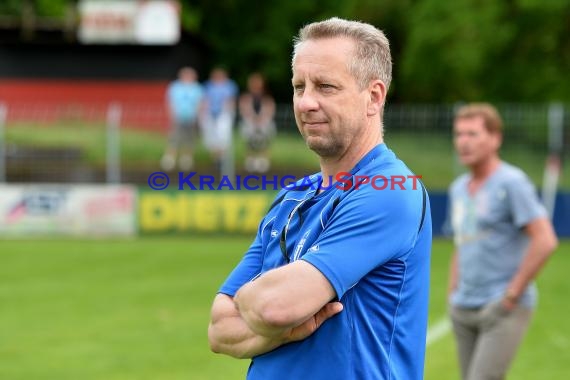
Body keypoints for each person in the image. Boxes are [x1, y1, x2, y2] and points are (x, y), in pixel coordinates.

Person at [208, 18, 432, 380]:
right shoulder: (291, 197)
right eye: (299, 87)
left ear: (374, 97)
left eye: (326, 87)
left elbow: (273, 307)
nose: (306, 102)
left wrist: (257, 305)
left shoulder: (390, 189)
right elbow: (219, 329)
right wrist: (283, 327)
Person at [446, 103, 558, 380]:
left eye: (472, 134)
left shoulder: (512, 182)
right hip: (464, 306)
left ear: (495, 138)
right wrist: (452, 294)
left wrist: (511, 296)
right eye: (459, 134)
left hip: (501, 307)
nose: (464, 142)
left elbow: (545, 239)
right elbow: (463, 241)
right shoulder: (458, 188)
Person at [160, 66, 203, 171]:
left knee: (189, 139)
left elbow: (200, 103)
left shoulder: (197, 88)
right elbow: (170, 102)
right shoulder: (175, 87)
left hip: (191, 116)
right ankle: (170, 158)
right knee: (174, 138)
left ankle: (186, 159)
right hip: (177, 116)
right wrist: (172, 114)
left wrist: (197, 115)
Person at [199, 67, 239, 171]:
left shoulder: (230, 85)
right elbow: (204, 100)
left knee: (223, 136)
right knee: (211, 137)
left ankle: (223, 159)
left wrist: (230, 111)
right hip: (210, 113)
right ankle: (215, 159)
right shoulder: (208, 85)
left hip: (223, 113)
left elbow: (231, 99)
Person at [239, 72, 276, 173]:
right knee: (248, 131)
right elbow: (243, 110)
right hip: (250, 121)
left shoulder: (266, 96)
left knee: (267, 131)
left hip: (264, 121)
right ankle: (250, 159)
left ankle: (263, 159)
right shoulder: (246, 97)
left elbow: (270, 109)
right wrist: (253, 119)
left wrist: (262, 119)